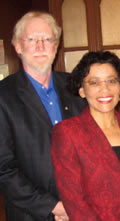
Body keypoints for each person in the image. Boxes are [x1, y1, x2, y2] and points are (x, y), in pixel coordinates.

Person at [51, 51, 120, 221]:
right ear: (82, 90)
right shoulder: (67, 132)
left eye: (111, 81)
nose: (105, 89)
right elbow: (74, 200)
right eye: (94, 82)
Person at [0, 11, 86, 221]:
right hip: (32, 214)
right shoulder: (3, 96)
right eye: (32, 39)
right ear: (18, 46)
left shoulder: (76, 88)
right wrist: (54, 207)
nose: (40, 46)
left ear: (56, 47)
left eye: (47, 39)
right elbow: (4, 169)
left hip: (82, 208)